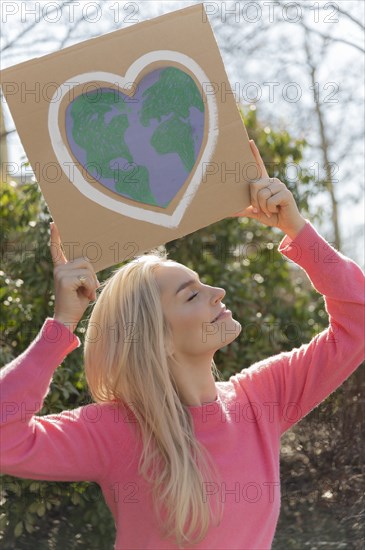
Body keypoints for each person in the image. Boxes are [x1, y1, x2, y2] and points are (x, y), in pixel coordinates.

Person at [1, 140, 364, 550]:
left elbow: (358, 322)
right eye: (191, 295)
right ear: (158, 340)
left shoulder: (261, 399)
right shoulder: (117, 431)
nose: (219, 291)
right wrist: (63, 323)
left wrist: (296, 229)